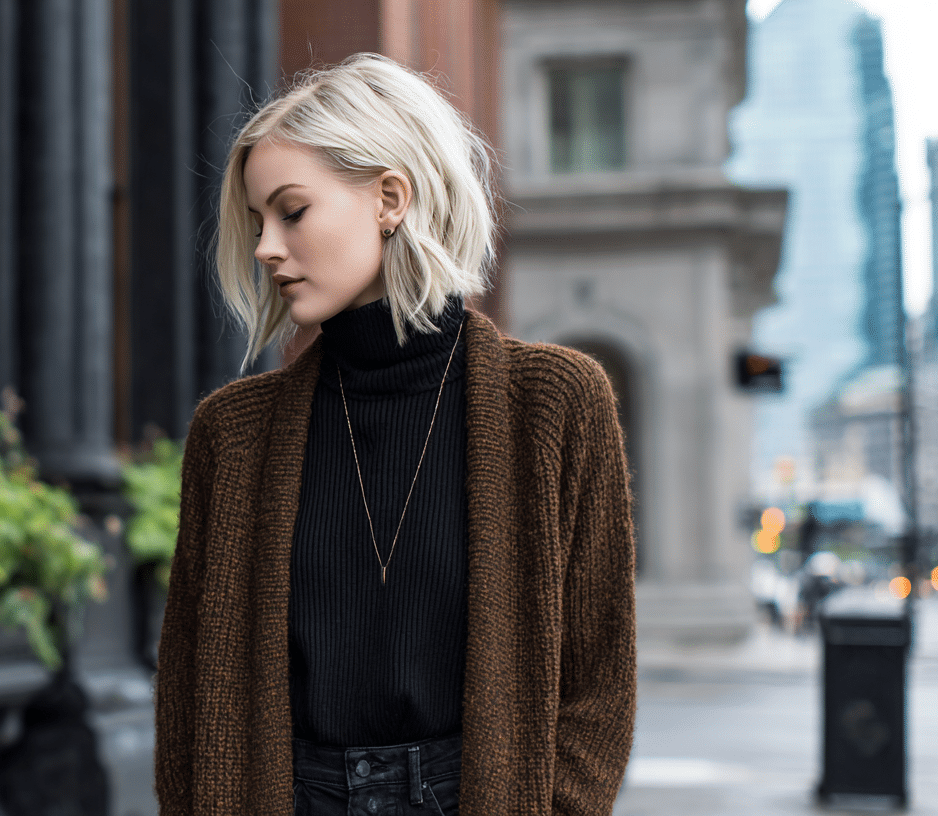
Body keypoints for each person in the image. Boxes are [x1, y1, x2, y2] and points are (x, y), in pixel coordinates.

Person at [153, 53, 637, 815]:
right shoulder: (233, 435)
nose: (264, 248)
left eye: (291, 211)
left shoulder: (553, 403)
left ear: (389, 198)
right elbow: (189, 702)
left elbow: (599, 672)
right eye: (256, 222)